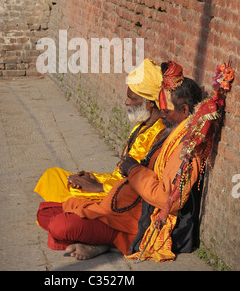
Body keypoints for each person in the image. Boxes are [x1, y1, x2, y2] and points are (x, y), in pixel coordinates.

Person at [37, 61, 204, 262]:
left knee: (59, 226)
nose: (162, 114)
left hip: (133, 220)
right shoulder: (170, 135)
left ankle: (112, 241)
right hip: (116, 204)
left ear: (185, 111)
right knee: (45, 212)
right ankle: (101, 242)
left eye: (166, 111)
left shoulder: (186, 150)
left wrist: (132, 170)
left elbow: (168, 200)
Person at [34, 59, 166, 203]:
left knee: (64, 198)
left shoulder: (159, 135)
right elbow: (118, 174)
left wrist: (98, 187)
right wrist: (92, 177)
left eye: (131, 98)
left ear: (150, 103)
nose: (126, 102)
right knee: (52, 175)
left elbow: (137, 183)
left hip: (121, 195)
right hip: (112, 184)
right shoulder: (142, 126)